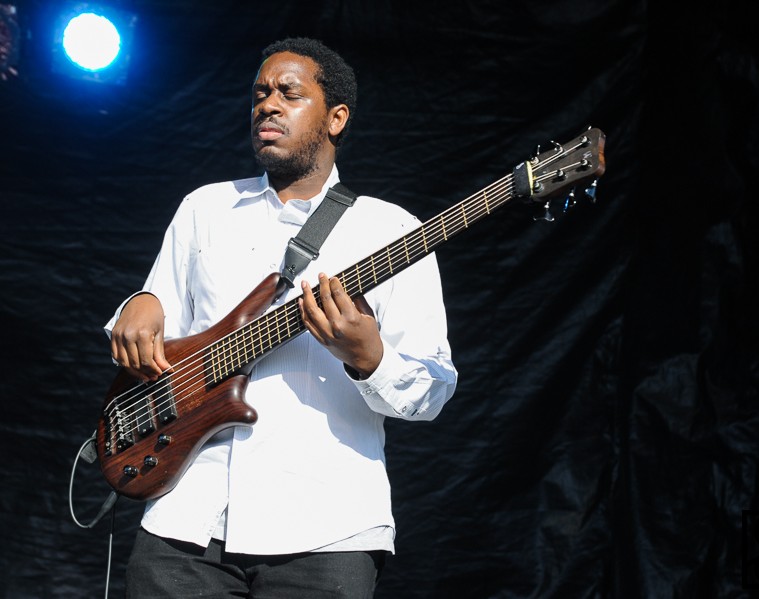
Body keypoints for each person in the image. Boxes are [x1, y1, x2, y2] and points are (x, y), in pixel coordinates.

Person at [106, 37, 457, 598]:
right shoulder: (204, 208)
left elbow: (433, 391)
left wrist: (370, 359)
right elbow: (153, 331)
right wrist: (138, 304)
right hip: (185, 519)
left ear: (336, 118)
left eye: (289, 94)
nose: (267, 105)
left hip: (328, 531)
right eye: (260, 94)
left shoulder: (393, 231)